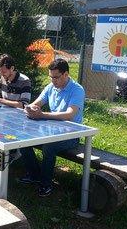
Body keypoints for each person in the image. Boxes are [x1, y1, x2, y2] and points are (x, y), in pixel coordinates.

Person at [20, 58, 85, 197]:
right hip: (50, 130)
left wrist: (42, 114)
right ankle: (34, 175)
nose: (53, 81)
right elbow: (37, 103)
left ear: (66, 74)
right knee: (22, 139)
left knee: (49, 147)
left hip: (71, 135)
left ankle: (45, 184)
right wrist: (31, 108)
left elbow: (69, 114)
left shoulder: (77, 90)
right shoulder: (50, 87)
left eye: (56, 77)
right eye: (51, 77)